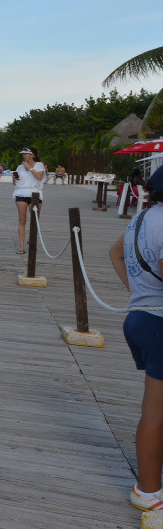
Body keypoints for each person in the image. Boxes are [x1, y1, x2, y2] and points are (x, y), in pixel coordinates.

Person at [108, 165, 163, 511]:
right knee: (156, 413)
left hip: (142, 318)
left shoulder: (140, 219)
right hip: (159, 324)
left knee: (153, 407)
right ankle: (148, 491)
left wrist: (139, 295)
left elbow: (114, 253)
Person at [11, 147, 46, 254]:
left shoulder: (39, 165)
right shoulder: (20, 167)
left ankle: (31, 240)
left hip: (35, 194)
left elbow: (39, 177)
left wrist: (30, 168)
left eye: (26, 154)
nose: (23, 156)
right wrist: (14, 178)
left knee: (35, 220)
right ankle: (21, 248)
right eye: (23, 154)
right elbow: (15, 183)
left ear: (32, 155)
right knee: (22, 220)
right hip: (21, 193)